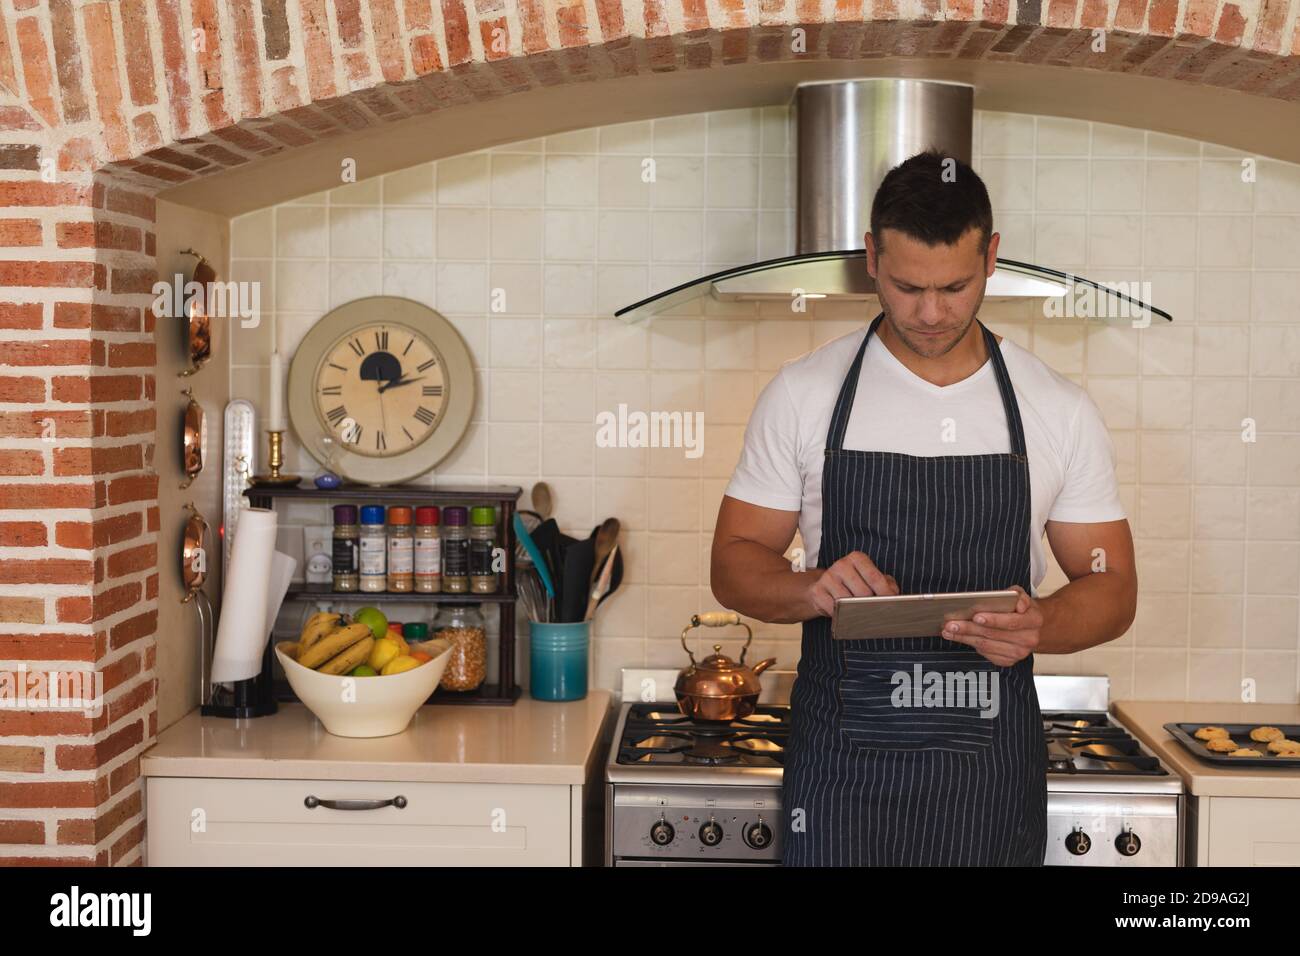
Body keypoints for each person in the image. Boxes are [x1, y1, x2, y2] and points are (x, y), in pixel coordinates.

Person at [710, 149, 1137, 866]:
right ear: (871, 257)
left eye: (955, 287)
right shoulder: (804, 394)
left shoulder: (1056, 409)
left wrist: (1044, 624)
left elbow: (1114, 587)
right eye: (908, 287)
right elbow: (734, 564)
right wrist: (807, 587)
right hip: (841, 777)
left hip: (988, 781)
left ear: (992, 257)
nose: (932, 313)